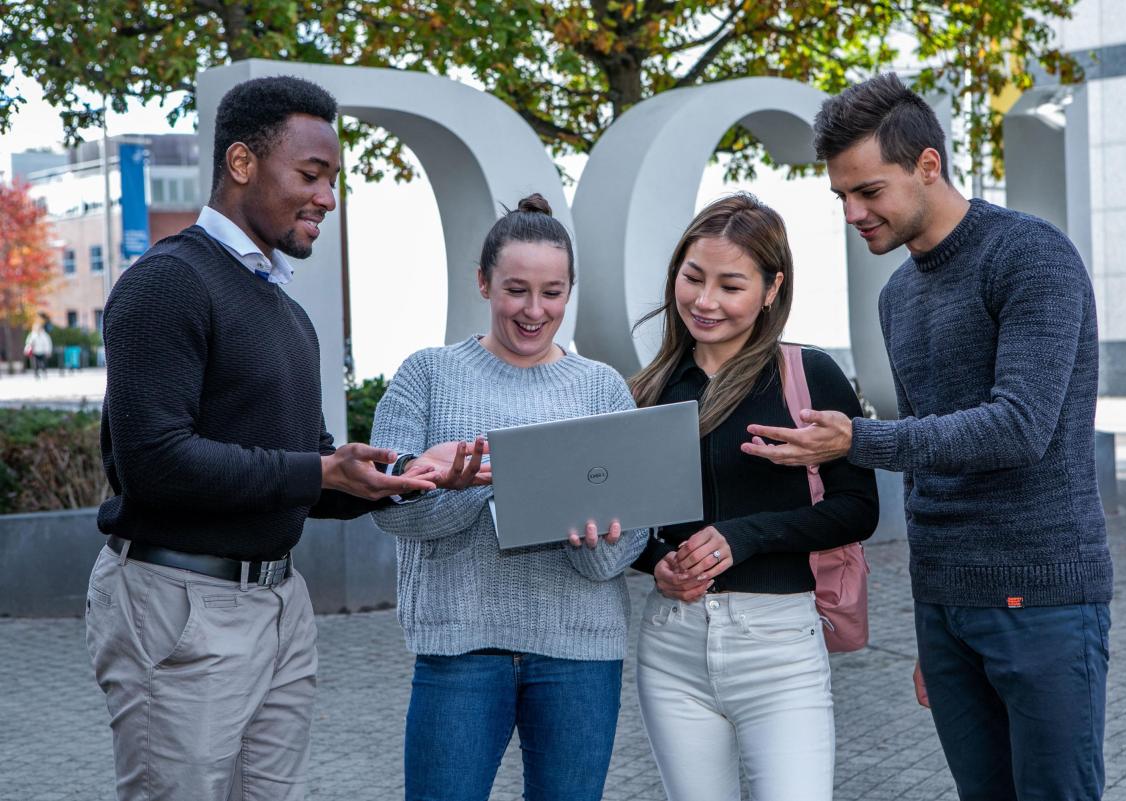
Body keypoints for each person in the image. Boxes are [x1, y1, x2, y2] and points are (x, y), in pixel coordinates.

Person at [85, 75, 481, 801]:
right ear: (241, 163)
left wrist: (399, 474)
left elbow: (308, 463)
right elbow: (155, 463)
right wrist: (321, 471)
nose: (328, 197)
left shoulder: (284, 310)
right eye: (311, 174)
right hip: (180, 604)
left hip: (279, 603)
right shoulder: (167, 283)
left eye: (332, 178)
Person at [742, 74, 1112, 801]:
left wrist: (857, 440)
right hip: (950, 611)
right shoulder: (897, 294)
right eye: (840, 196)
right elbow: (925, 469)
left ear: (928, 165)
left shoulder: (1031, 257)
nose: (852, 212)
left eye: (869, 191)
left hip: (1042, 602)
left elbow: (1018, 427)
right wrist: (932, 626)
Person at [370, 194, 649, 801]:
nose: (534, 310)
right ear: (481, 281)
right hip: (459, 650)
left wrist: (593, 540)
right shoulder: (427, 374)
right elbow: (389, 512)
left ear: (570, 291)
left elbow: (623, 542)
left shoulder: (602, 387)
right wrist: (468, 489)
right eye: (515, 289)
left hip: (579, 652)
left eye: (552, 292)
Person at [627, 193, 879, 801]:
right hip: (670, 648)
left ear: (772, 289)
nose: (705, 301)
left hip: (780, 653)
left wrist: (746, 536)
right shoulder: (643, 392)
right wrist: (654, 560)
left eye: (731, 285)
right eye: (692, 278)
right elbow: (628, 520)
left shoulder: (808, 375)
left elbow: (857, 508)